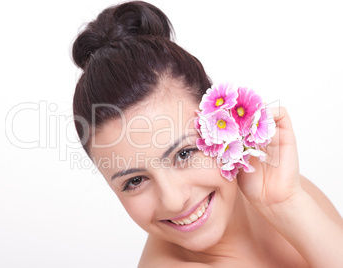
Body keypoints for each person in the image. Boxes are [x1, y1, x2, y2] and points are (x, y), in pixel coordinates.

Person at [71, 1, 343, 267]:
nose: (174, 200)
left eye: (185, 153)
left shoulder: (278, 191)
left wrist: (286, 203)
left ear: (222, 122)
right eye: (135, 181)